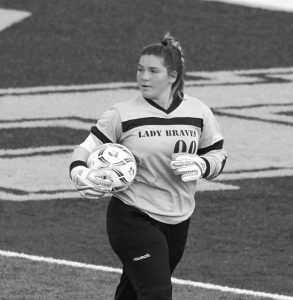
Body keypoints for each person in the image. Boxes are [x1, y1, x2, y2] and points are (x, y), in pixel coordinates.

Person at [70, 33, 227, 300]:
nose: (144, 77)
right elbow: (85, 148)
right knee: (157, 293)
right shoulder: (122, 113)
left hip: (178, 219)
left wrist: (202, 164)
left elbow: (218, 155)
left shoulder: (198, 112)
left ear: (172, 76)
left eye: (154, 71)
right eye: (140, 69)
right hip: (131, 216)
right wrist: (80, 171)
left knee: (133, 293)